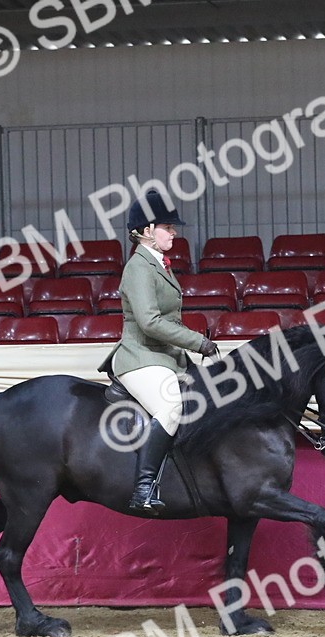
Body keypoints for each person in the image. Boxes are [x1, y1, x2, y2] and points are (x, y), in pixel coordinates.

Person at [101, 189, 219, 514]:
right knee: (170, 408)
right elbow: (150, 322)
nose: (175, 232)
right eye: (168, 227)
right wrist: (198, 342)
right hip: (140, 357)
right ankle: (143, 489)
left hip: (165, 357)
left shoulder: (159, 265)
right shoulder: (138, 267)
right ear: (149, 229)